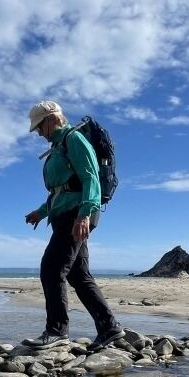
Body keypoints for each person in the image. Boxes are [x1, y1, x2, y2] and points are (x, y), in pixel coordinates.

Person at [23, 100, 124, 350]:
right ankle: (109, 328)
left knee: (51, 269)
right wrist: (41, 212)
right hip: (65, 214)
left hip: (76, 214)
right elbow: (61, 189)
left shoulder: (73, 139)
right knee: (79, 275)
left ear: (51, 120)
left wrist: (85, 214)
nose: (37, 133)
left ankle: (57, 332)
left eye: (38, 127)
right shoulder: (58, 146)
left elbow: (90, 177)